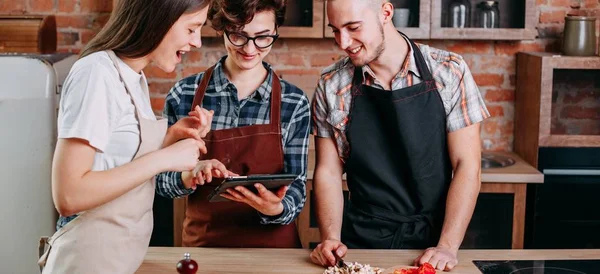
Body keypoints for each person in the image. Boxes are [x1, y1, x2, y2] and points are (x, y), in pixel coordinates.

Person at [309, 0, 490, 271]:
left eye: (353, 27)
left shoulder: (449, 71)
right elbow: (329, 172)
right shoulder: (332, 85)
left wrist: (447, 246)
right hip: (361, 241)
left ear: (386, 12)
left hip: (435, 243)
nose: (343, 42)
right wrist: (331, 238)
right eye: (335, 30)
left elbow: (467, 166)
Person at [38, 0, 213, 273]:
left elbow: (115, 160)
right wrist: (164, 158)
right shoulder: (96, 74)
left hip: (119, 260)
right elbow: (69, 194)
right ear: (160, 18)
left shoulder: (132, 76)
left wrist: (170, 138)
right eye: (192, 28)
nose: (197, 42)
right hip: (87, 262)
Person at [156, 0, 311, 248]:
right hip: (205, 249)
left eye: (262, 37)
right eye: (239, 35)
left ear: (275, 32)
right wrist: (189, 176)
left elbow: (298, 185)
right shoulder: (184, 94)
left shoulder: (294, 102)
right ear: (222, 29)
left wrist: (277, 208)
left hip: (275, 252)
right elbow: (161, 183)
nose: (250, 48)